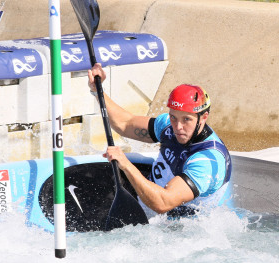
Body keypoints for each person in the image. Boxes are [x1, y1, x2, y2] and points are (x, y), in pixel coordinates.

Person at [88, 63, 232, 218]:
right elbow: (125, 124)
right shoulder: (168, 126)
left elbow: (163, 203)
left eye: (187, 120)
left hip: (179, 230)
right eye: (173, 117)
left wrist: (126, 165)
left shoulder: (207, 161)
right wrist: (98, 90)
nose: (178, 127)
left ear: (203, 117)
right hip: (147, 204)